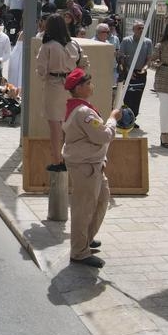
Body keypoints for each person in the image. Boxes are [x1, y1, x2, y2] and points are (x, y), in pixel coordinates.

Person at [62, 68, 118, 269]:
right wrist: (113, 119)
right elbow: (103, 135)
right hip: (85, 166)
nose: (91, 86)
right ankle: (79, 251)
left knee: (102, 200)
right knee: (83, 208)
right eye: (88, 83)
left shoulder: (81, 108)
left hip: (93, 164)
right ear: (79, 88)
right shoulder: (83, 112)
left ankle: (85, 238)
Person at [36, 14, 89, 171]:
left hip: (54, 86)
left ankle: (57, 160)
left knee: (55, 127)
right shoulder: (73, 44)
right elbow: (84, 63)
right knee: (69, 125)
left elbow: (41, 71)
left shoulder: (47, 46)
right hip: (72, 87)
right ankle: (68, 158)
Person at [119, 20, 153, 127]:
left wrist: (145, 68)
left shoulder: (148, 42)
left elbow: (149, 59)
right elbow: (121, 58)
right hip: (128, 72)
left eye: (143, 28)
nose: (141, 30)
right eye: (139, 28)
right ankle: (124, 119)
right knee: (127, 97)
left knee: (137, 97)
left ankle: (133, 119)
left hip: (141, 73)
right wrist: (128, 71)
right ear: (133, 30)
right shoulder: (126, 41)